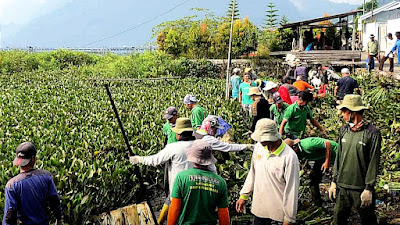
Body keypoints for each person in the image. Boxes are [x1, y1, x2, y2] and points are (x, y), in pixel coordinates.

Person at [129, 118, 195, 225]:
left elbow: (155, 160)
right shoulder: (200, 145)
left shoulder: (173, 147)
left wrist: (139, 159)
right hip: (196, 186)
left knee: (176, 215)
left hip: (178, 188)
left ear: (178, 134)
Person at [329, 94, 381, 225]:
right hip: (342, 186)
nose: (342, 115)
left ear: (352, 113)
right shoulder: (344, 130)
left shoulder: (372, 133)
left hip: (360, 188)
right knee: (338, 220)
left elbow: (374, 161)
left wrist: (369, 188)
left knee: (368, 220)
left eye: (343, 112)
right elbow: (339, 157)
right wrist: (334, 181)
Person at [236, 119, 299, 225]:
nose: (259, 141)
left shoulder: (289, 157)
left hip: (278, 215)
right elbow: (253, 172)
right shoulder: (259, 148)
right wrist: (244, 195)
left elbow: (291, 190)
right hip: (259, 209)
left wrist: (289, 218)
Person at [167, 140, 230, 225]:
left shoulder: (181, 177)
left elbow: (175, 208)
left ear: (192, 158)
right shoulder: (220, 182)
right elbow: (223, 213)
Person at [3, 142, 63, 225]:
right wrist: (59, 219)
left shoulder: (11, 185)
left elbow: (10, 216)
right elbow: (55, 201)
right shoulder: (46, 176)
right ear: (34, 159)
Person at [284, 137, 338, 207]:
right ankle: (317, 205)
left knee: (337, 178)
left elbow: (328, 143)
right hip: (321, 157)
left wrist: (327, 162)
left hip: (335, 153)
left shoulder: (308, 144)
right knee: (313, 180)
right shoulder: (296, 154)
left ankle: (337, 201)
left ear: (295, 148)